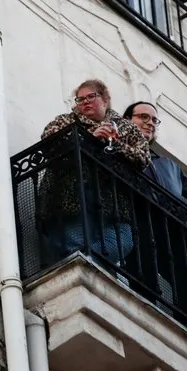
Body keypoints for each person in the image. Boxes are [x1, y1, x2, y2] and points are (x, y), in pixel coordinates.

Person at [38, 79, 151, 266]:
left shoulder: (125, 127)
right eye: (80, 99)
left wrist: (116, 144)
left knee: (122, 241)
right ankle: (83, 268)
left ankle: (86, 264)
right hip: (72, 195)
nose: (85, 102)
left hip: (114, 202)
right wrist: (90, 138)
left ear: (105, 100)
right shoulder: (66, 120)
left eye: (91, 96)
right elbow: (48, 141)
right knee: (75, 239)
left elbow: (143, 158)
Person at [122, 102, 187, 325]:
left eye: (153, 120)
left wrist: (177, 205)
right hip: (140, 219)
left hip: (175, 227)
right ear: (128, 120)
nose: (150, 123)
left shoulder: (168, 164)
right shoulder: (120, 148)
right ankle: (145, 319)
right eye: (143, 117)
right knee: (143, 270)